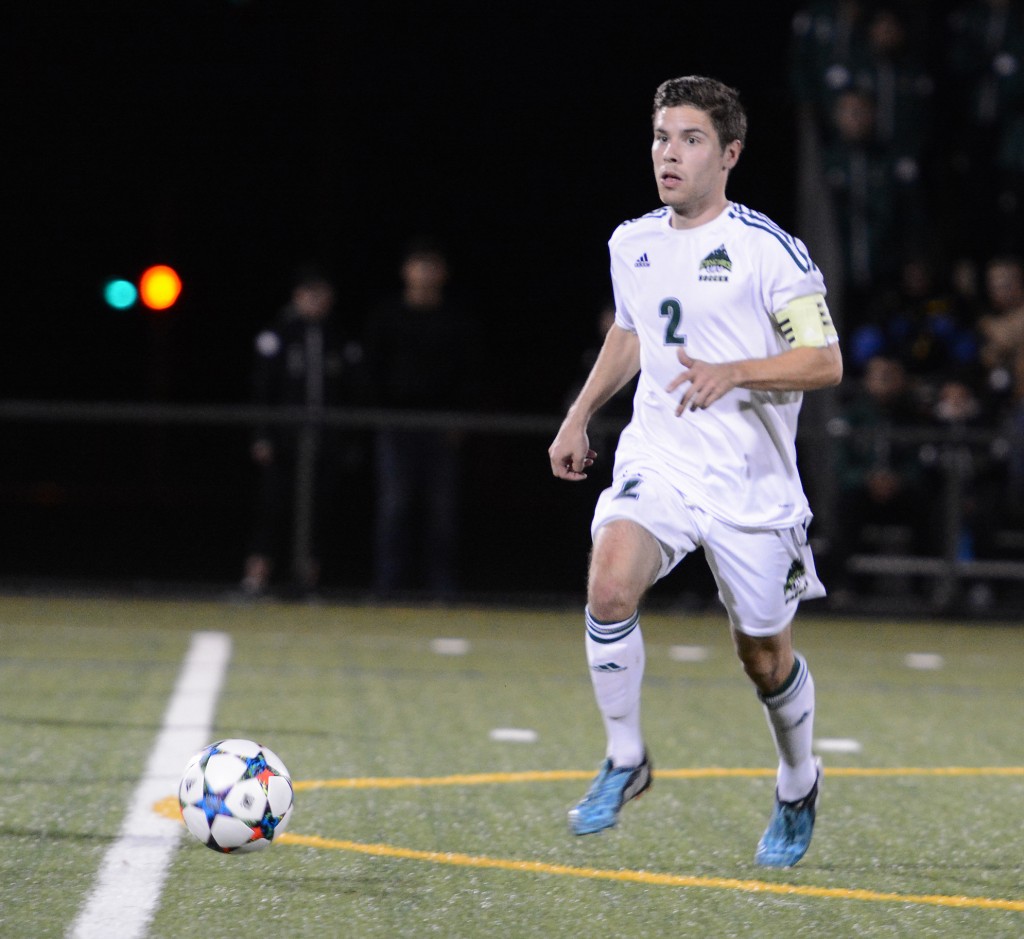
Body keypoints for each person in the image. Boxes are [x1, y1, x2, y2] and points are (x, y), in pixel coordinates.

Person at [547, 76, 843, 868]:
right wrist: (579, 414)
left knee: (764, 659)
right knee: (609, 582)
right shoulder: (632, 242)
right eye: (660, 138)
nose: (668, 154)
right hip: (662, 459)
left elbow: (825, 359)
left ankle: (796, 778)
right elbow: (632, 332)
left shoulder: (768, 249)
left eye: (690, 140)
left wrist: (736, 370)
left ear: (730, 154)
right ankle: (624, 756)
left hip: (751, 485)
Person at [363, 239, 483, 599]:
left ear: (443, 273)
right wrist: (380, 416)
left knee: (441, 511)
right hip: (396, 425)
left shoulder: (456, 320)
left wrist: (459, 420)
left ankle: (441, 587)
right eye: (419, 265)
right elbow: (372, 370)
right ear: (405, 271)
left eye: (432, 265)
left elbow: (471, 373)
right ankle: (387, 586)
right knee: (394, 506)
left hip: (442, 427)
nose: (425, 273)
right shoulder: (386, 316)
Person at [240, 265, 366, 597]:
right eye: (309, 293)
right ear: (297, 296)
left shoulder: (340, 337)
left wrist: (349, 440)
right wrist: (262, 435)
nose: (316, 300)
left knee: (319, 510)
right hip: (284, 440)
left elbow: (353, 392)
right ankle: (257, 575)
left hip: (325, 440)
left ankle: (308, 579)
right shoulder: (278, 334)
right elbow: (262, 389)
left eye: (322, 293)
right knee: (272, 506)